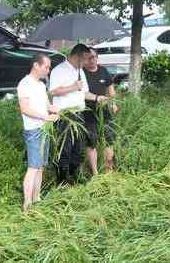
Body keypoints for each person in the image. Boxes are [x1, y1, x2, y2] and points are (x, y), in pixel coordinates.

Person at [49, 44, 106, 184]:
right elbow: (53, 91)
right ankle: (61, 183)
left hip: (79, 114)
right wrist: (73, 86)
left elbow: (84, 92)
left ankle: (73, 180)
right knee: (65, 150)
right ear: (78, 56)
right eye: (86, 58)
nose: (87, 62)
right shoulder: (59, 70)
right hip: (65, 116)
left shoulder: (79, 71)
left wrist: (98, 98)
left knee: (78, 151)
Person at [17, 53, 59, 211]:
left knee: (40, 166)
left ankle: (37, 198)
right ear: (36, 65)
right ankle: (27, 205)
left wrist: (56, 110)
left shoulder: (41, 85)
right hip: (33, 130)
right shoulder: (24, 84)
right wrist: (45, 117)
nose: (48, 70)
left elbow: (48, 105)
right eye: (46, 67)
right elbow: (25, 109)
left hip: (44, 128)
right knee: (33, 167)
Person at [83, 47, 118, 175]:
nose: (92, 60)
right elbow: (82, 93)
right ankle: (95, 173)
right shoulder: (81, 73)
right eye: (88, 58)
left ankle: (109, 170)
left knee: (109, 140)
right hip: (89, 114)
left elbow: (110, 89)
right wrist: (97, 98)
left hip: (105, 113)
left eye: (94, 57)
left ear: (97, 57)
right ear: (84, 59)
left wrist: (113, 103)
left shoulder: (104, 71)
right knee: (91, 143)